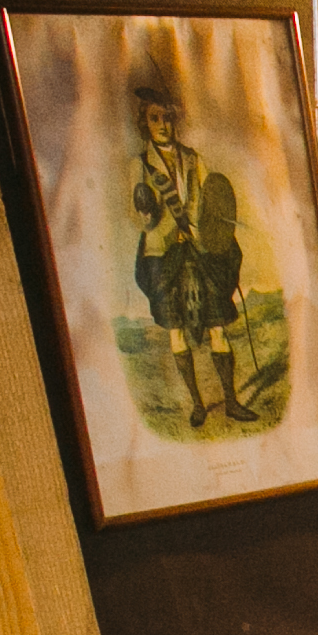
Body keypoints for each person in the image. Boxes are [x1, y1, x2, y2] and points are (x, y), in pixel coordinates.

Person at [130, 81, 256, 427]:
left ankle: (231, 402)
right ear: (145, 123)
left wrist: (206, 229)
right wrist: (148, 212)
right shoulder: (140, 166)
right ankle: (197, 405)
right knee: (176, 332)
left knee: (218, 326)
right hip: (165, 256)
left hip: (198, 250)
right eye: (155, 119)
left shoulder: (192, 158)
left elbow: (206, 201)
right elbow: (137, 219)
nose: (163, 125)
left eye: (168, 118)